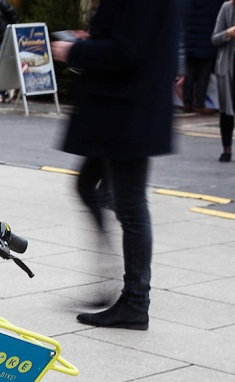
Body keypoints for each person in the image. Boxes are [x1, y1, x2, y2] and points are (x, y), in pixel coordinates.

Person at [51, 0, 181, 330]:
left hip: (127, 111)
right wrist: (91, 39)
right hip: (123, 108)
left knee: (131, 205)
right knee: (88, 186)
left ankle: (135, 301)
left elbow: (127, 50)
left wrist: (75, 50)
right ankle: (111, 281)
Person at [183, 0, 226, 112]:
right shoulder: (214, 3)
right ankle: (199, 103)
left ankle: (187, 102)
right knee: (203, 74)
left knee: (189, 73)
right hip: (205, 41)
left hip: (189, 40)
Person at [214, 0, 235, 161]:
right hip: (228, 67)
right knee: (226, 111)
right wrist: (228, 33)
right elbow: (215, 38)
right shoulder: (227, 8)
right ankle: (226, 149)